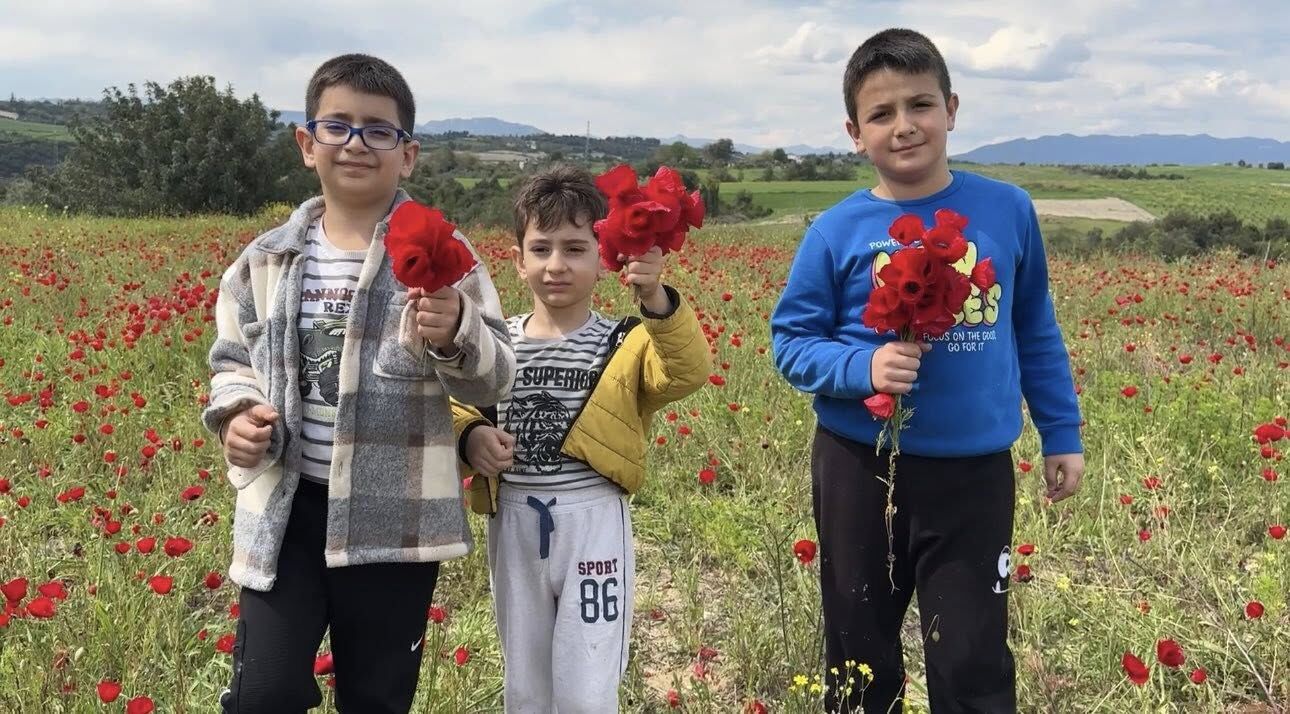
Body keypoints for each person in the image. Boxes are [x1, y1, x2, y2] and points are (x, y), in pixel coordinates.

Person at [770, 28, 1085, 713]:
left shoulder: (1007, 210)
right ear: (855, 133)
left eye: (920, 105)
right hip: (860, 468)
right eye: (881, 114)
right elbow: (790, 342)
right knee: (859, 651)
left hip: (973, 473)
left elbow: (1034, 326)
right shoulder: (836, 231)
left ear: (952, 108)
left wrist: (1062, 432)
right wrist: (864, 366)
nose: (904, 126)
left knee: (972, 655)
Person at [201, 53, 514, 713]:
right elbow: (231, 357)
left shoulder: (446, 256)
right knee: (264, 693)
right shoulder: (264, 260)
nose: (356, 142)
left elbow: (496, 376)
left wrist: (458, 325)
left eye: (378, 129)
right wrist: (234, 416)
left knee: (376, 696)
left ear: (408, 155)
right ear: (306, 143)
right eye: (337, 125)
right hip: (285, 509)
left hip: (393, 518)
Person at [452, 166, 710, 712]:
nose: (556, 265)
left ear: (603, 257)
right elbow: (455, 404)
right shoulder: (497, 343)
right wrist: (471, 436)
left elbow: (685, 372)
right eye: (540, 249)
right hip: (514, 518)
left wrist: (658, 299)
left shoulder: (627, 340)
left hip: (592, 520)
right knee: (524, 676)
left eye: (575, 248)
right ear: (517, 260)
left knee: (588, 676)